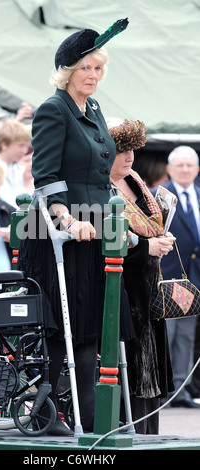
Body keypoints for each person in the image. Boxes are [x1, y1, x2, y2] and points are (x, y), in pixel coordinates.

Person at [18, 19, 129, 435]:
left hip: (97, 230)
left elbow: (102, 174)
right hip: (57, 234)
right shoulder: (53, 109)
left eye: (98, 68)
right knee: (65, 328)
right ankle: (55, 413)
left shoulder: (95, 109)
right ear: (67, 71)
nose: (93, 76)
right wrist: (67, 218)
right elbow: (45, 175)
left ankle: (90, 417)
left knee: (90, 330)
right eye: (86, 68)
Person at [109, 119, 175, 434]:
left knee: (151, 379)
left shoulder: (135, 179)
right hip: (121, 289)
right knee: (128, 372)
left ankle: (150, 434)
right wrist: (146, 248)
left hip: (149, 290)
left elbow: (152, 226)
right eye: (121, 150)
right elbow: (102, 243)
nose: (129, 157)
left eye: (133, 149)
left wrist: (161, 242)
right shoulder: (95, 187)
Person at [158, 145, 200, 408]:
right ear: (169, 169)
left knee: (186, 335)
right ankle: (164, 391)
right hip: (168, 278)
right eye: (180, 165)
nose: (185, 169)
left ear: (197, 169)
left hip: (194, 279)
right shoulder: (158, 197)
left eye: (189, 165)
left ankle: (181, 389)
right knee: (166, 334)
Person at [0, 119, 32, 206]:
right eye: (20, 145)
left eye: (26, 146)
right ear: (4, 145)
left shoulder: (16, 169)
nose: (24, 150)